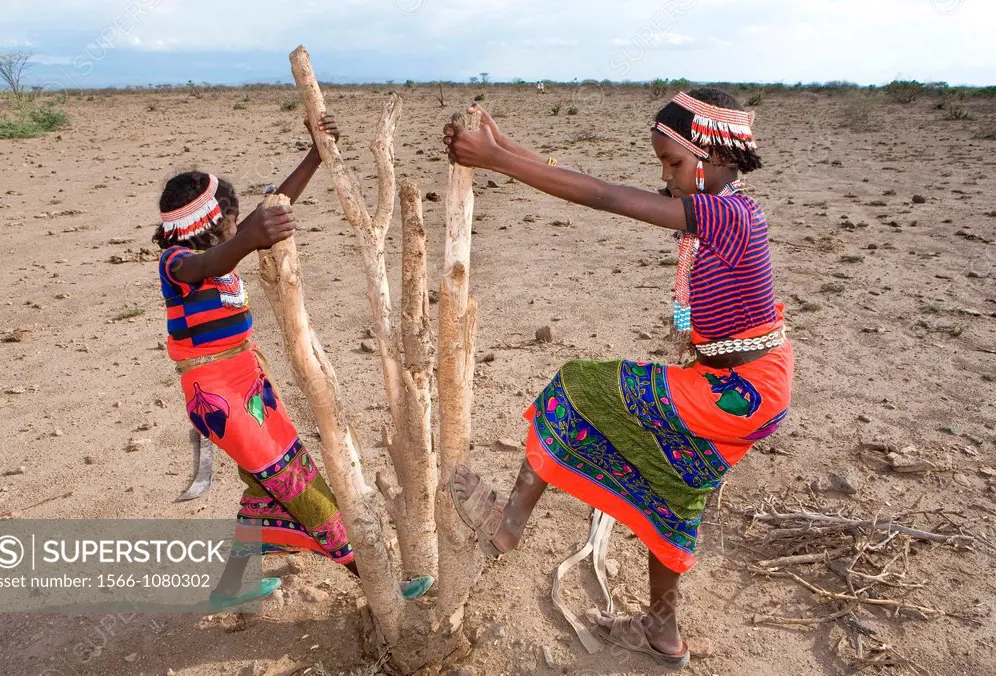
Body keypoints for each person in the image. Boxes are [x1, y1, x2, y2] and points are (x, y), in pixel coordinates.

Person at [442, 90, 793, 668]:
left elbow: (605, 197)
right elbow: (594, 182)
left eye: (673, 164)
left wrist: (496, 161)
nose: (667, 178)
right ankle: (663, 631)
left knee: (577, 385)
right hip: (750, 389)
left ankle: (507, 526)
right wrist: (503, 146)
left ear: (707, 155)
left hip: (739, 393)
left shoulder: (726, 214)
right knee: (673, 490)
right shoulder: (722, 203)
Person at [154, 113, 433, 611]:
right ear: (214, 223)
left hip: (247, 383)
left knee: (263, 486)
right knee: (294, 480)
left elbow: (273, 212)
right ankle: (378, 581)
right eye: (234, 221)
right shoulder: (178, 264)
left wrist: (315, 153)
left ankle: (229, 589)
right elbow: (212, 262)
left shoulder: (222, 248)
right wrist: (247, 239)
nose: (240, 227)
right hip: (218, 396)